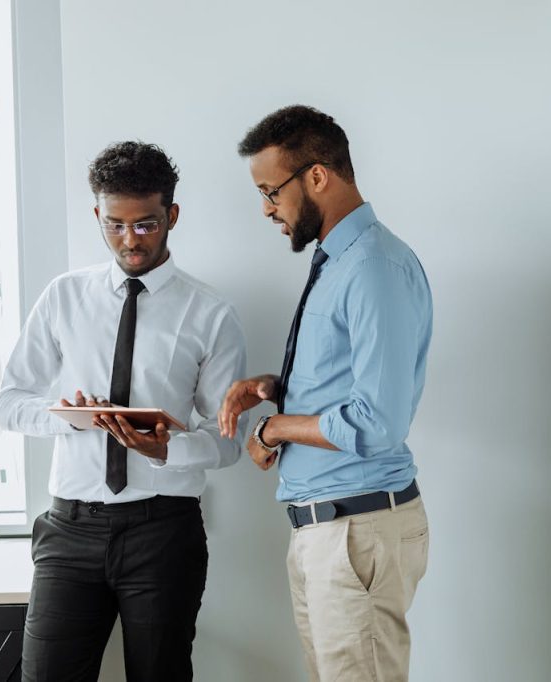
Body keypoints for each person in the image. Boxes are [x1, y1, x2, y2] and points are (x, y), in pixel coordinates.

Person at [0, 141, 247, 681]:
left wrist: (167, 448)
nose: (129, 241)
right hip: (69, 528)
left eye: (146, 225)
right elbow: (8, 402)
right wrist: (61, 414)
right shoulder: (64, 296)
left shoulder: (211, 313)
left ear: (171, 216)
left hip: (163, 531)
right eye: (115, 225)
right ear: (97, 216)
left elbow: (228, 441)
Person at [218, 105, 432, 681]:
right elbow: (347, 381)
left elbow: (377, 419)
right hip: (329, 532)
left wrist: (274, 428)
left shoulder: (372, 267)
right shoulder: (338, 261)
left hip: (355, 534)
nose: (266, 208)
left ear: (317, 176)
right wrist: (276, 389)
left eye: (270, 191)